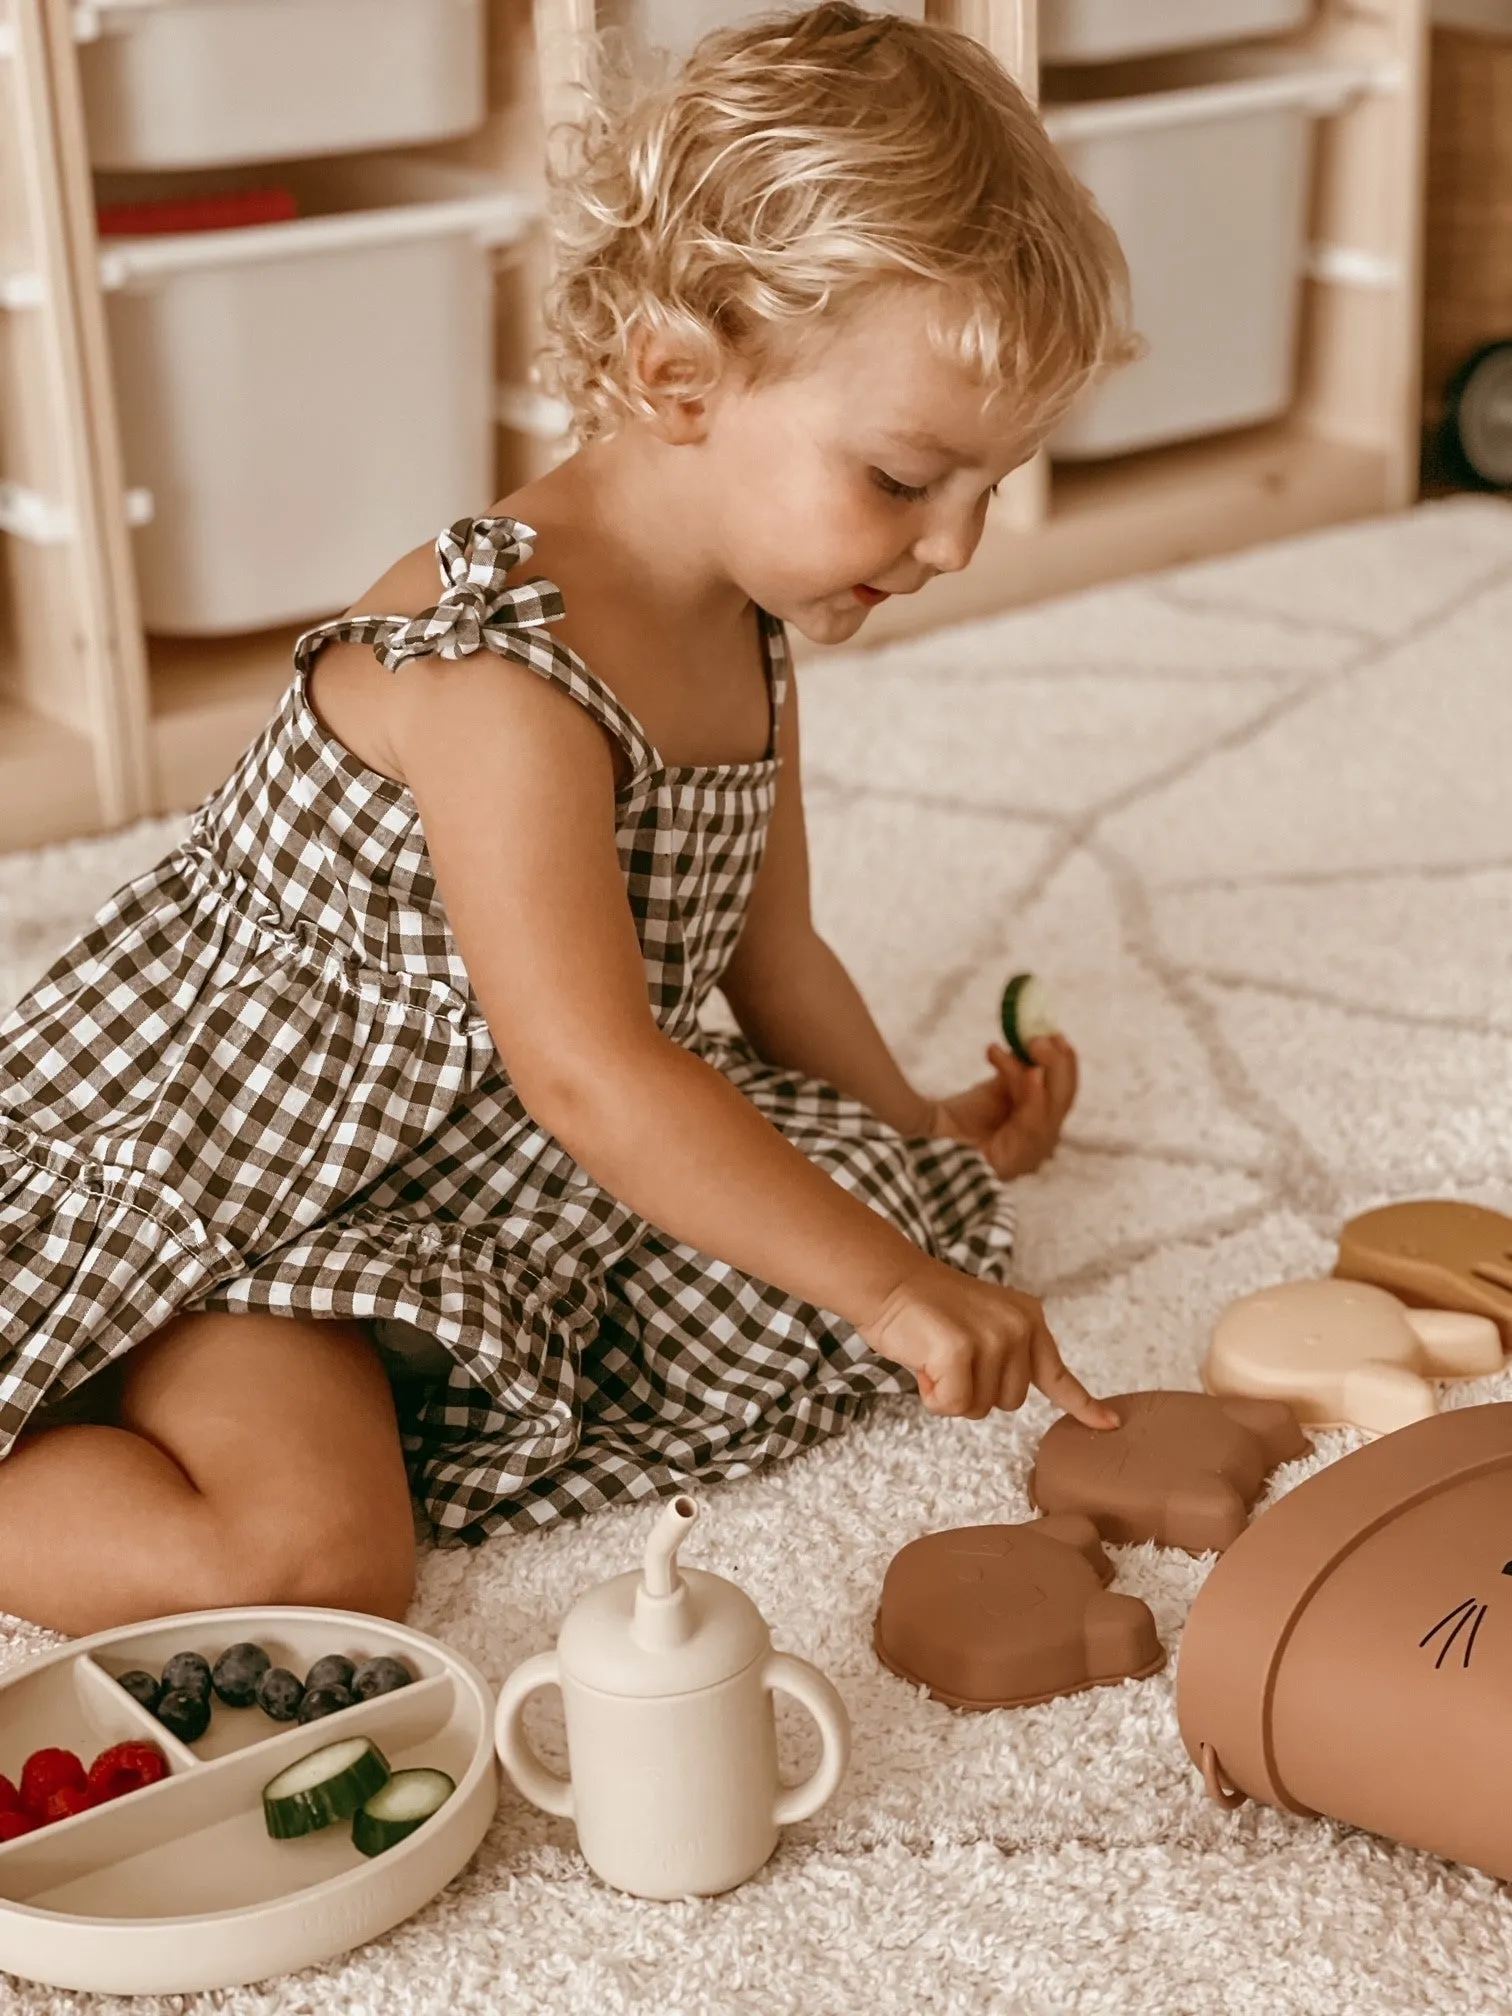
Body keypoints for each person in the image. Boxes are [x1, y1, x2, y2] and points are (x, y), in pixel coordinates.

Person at [0, 1, 1138, 1637]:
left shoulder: (747, 611)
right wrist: (886, 1285)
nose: (955, 545)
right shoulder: (502, 677)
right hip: (272, 1177)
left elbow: (773, 948)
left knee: (892, 1213)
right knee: (309, 1570)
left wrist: (909, 1123)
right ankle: (103, 1387)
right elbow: (595, 1069)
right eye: (906, 480)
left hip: (476, 1165)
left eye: (988, 489)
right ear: (679, 377)